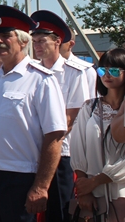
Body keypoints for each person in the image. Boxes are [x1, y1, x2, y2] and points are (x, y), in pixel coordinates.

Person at [0, 5, 67, 222]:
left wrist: (41, 186)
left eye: (6, 36)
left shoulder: (41, 80)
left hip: (19, 177)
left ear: (24, 41)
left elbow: (54, 136)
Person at [30, 10, 91, 222]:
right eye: (34, 41)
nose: (37, 46)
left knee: (61, 210)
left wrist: (43, 142)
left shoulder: (74, 72)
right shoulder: (32, 72)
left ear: (57, 41)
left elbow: (70, 118)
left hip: (61, 153)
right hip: (32, 153)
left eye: (42, 41)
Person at [72, 48, 125, 222]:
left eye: (114, 70)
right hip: (93, 194)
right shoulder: (90, 107)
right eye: (102, 70)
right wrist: (84, 187)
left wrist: (97, 180)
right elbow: (78, 148)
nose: (107, 75)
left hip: (121, 191)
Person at [59, 30, 97, 100]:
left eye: (59, 41)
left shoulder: (86, 70)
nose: (55, 44)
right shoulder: (40, 68)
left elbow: (92, 102)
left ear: (71, 44)